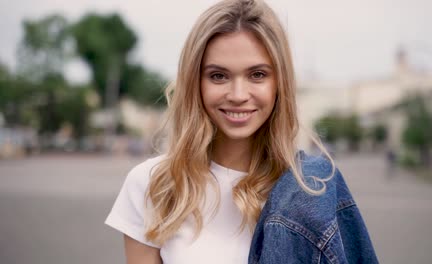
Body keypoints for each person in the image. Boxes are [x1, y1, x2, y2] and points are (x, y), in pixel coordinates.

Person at [105, 0, 378, 263]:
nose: (237, 95)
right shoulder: (153, 185)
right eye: (218, 76)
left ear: (279, 82)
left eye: (257, 75)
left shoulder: (314, 187)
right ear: (194, 83)